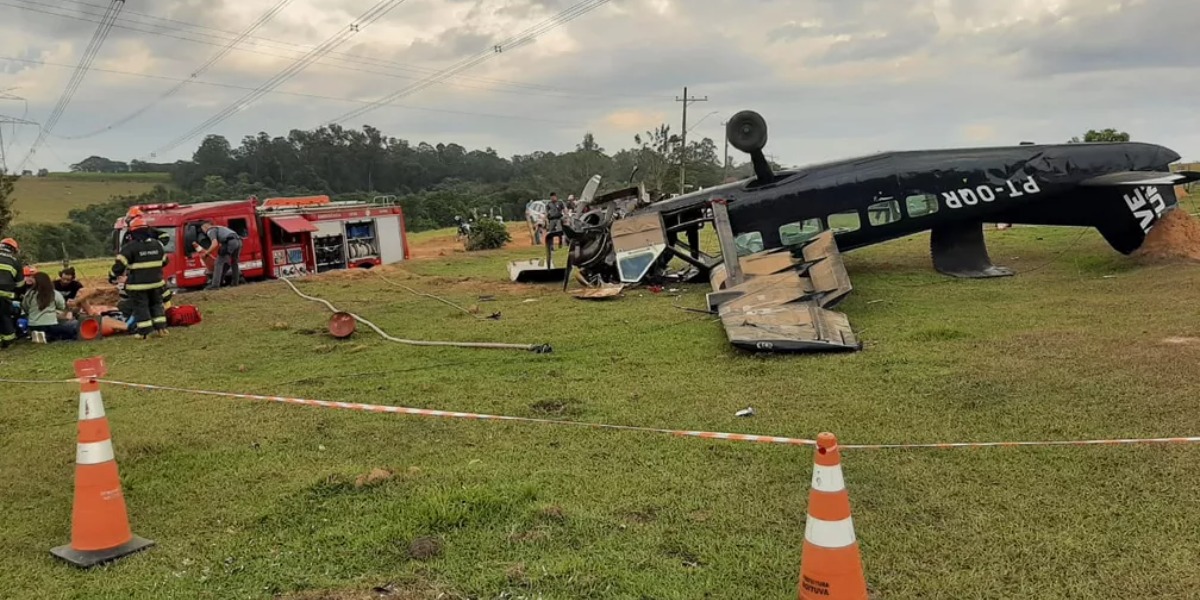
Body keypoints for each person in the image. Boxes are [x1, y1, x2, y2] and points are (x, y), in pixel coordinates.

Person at [109, 217, 169, 339]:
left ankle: (145, 332)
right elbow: (164, 261)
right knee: (157, 304)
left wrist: (112, 276)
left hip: (138, 285)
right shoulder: (157, 244)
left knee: (141, 307)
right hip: (157, 283)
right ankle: (161, 329)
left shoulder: (130, 247)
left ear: (133, 232)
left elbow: (119, 266)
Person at [22, 271, 79, 343]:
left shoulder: (29, 294)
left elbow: (25, 308)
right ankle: (49, 336)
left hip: (33, 325)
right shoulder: (54, 293)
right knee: (74, 324)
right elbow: (62, 306)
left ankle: (39, 334)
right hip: (50, 324)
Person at [193, 221, 242, 290]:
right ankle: (235, 283)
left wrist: (206, 252)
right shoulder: (219, 227)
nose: (204, 232)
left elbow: (215, 243)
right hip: (238, 241)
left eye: (203, 230)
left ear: (205, 227)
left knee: (218, 263)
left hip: (230, 242)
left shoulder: (211, 230)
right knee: (234, 263)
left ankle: (215, 285)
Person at [0, 237, 25, 349]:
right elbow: (20, 284)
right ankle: (9, 342)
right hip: (5, 296)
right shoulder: (15, 263)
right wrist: (18, 296)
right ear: (13, 250)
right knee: (5, 317)